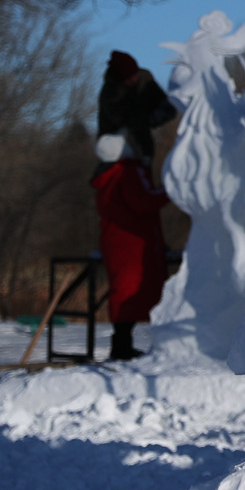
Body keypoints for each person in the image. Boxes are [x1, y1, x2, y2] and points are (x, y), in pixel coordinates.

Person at [91, 133, 170, 360]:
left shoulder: (107, 176)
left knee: (123, 292)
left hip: (116, 241)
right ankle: (123, 346)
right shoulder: (127, 172)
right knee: (132, 292)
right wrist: (171, 191)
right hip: (133, 243)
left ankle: (121, 343)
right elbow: (144, 201)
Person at [98, 50, 179, 171]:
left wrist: (164, 111)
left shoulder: (144, 77)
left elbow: (163, 102)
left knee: (144, 170)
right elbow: (124, 122)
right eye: (130, 78)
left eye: (135, 74)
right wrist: (146, 120)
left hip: (143, 137)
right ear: (121, 79)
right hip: (117, 143)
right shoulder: (109, 93)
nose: (134, 79)